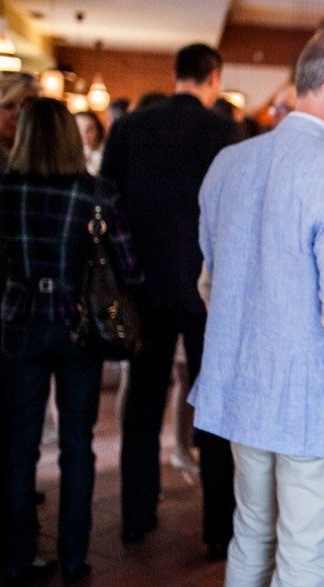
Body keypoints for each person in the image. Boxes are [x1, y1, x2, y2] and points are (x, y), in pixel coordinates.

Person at [190, 27, 324, 586]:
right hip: (314, 400)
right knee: (304, 560)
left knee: (250, 533)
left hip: (242, 384)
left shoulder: (229, 162)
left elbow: (210, 284)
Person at [0, 98, 140, 584]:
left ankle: (19, 556)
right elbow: (129, 267)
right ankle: (74, 557)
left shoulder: (1, 191)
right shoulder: (97, 194)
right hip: (79, 327)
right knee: (78, 443)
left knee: (20, 445)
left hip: (19, 321)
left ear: (24, 136)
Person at [100, 43, 239, 557]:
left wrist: (125, 268)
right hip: (208, 288)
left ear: (175, 73)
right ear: (214, 76)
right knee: (214, 406)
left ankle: (135, 517)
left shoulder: (131, 127)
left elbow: (106, 200)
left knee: (143, 403)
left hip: (145, 285)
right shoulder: (223, 131)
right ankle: (218, 530)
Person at [0, 71, 39, 533]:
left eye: (25, 110)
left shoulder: (26, 160)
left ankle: (11, 489)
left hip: (16, 295)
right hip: (0, 289)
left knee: (14, 405)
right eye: (9, 107)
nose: (15, 118)